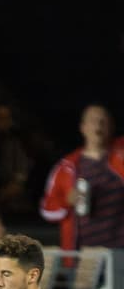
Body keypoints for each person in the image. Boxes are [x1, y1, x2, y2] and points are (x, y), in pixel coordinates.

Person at [39, 104, 124, 251]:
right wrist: (67, 201)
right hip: (83, 255)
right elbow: (47, 211)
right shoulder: (65, 167)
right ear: (83, 128)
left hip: (120, 252)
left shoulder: (120, 154)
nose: (98, 125)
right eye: (93, 121)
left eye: (103, 121)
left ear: (111, 127)